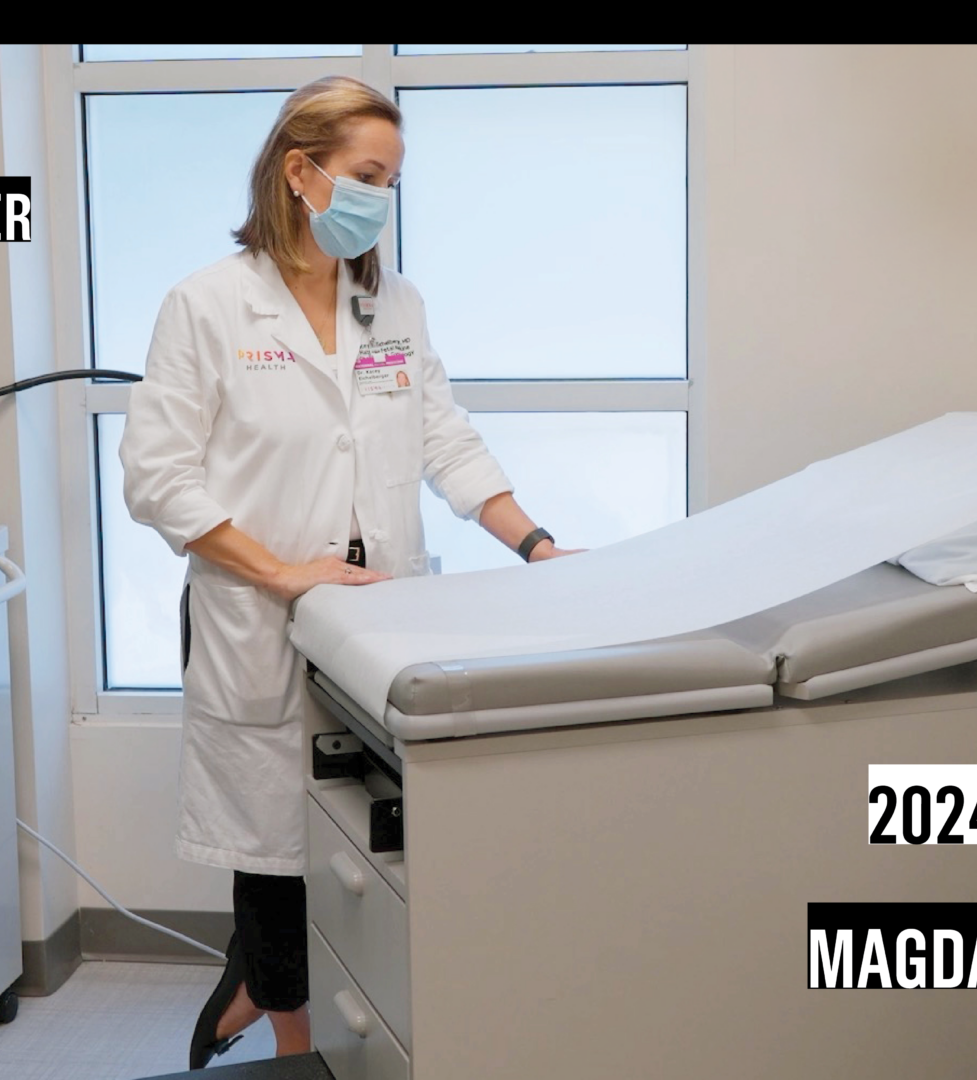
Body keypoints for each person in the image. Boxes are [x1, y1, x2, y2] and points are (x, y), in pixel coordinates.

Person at [120, 76, 579, 1069]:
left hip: (381, 621)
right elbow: (158, 480)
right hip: (260, 617)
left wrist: (537, 546)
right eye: (367, 176)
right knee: (276, 854)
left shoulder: (392, 302)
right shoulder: (207, 305)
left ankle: (307, 1004)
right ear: (301, 171)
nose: (382, 200)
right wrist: (283, 571)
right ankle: (296, 1049)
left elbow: (446, 440)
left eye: (391, 183)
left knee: (369, 844)